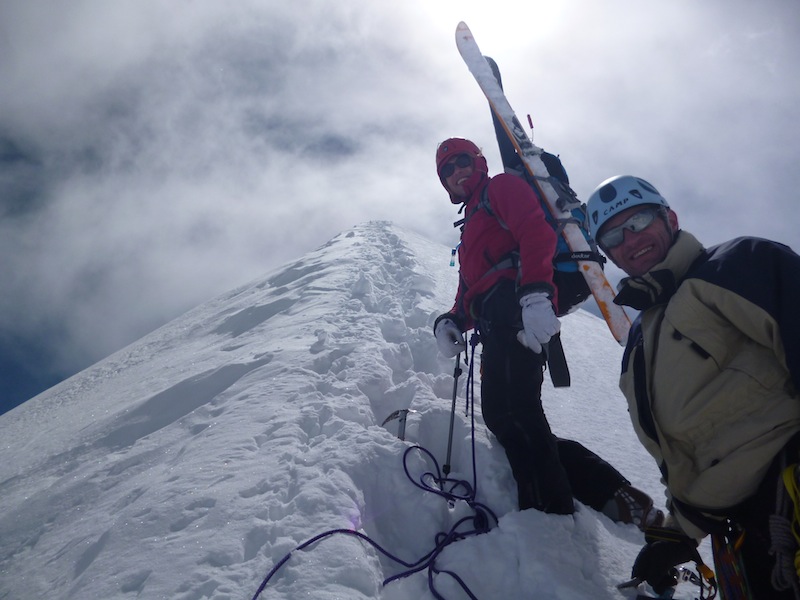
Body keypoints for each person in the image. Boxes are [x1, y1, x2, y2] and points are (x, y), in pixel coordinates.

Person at [586, 174, 800, 598]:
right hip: (738, 534)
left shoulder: (734, 264)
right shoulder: (639, 344)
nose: (629, 238)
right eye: (613, 235)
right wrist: (679, 534)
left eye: (640, 219)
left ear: (670, 217)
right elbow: (688, 448)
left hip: (785, 494)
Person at [432, 137, 663, 528]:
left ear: (480, 161)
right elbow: (472, 282)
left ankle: (548, 520)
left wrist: (536, 295)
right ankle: (606, 489)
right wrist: (453, 318)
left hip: (518, 308)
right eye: (447, 169)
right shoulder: (472, 219)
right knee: (505, 417)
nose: (457, 172)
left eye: (462, 161)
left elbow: (534, 231)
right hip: (495, 319)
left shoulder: (500, 188)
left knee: (517, 412)